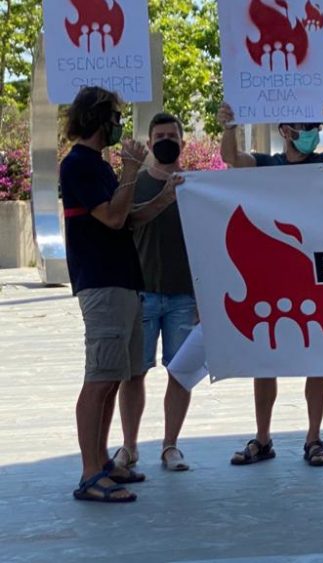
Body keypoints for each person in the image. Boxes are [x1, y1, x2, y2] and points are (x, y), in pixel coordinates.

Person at [217, 94, 323, 466]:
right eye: (305, 128)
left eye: (315, 128)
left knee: (316, 358)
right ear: (286, 131)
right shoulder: (266, 165)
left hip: (312, 273)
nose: (311, 134)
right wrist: (230, 124)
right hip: (272, 277)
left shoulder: (321, 163)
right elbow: (232, 159)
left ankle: (314, 439)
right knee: (265, 359)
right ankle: (262, 439)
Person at [62, 86, 149, 502]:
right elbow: (113, 218)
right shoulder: (78, 164)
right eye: (114, 117)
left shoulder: (97, 165)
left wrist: (167, 195)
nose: (119, 125)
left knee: (115, 376)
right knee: (99, 378)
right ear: (97, 119)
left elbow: (127, 215)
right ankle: (89, 473)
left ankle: (101, 460)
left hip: (122, 280)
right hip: (101, 283)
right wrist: (131, 169)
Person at [111, 113, 195, 473]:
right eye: (159, 135)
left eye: (171, 135)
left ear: (182, 142)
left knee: (180, 372)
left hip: (185, 297)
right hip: (142, 294)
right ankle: (129, 447)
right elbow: (120, 223)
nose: (165, 141)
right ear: (149, 144)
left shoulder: (197, 187)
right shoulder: (136, 184)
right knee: (134, 373)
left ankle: (170, 445)